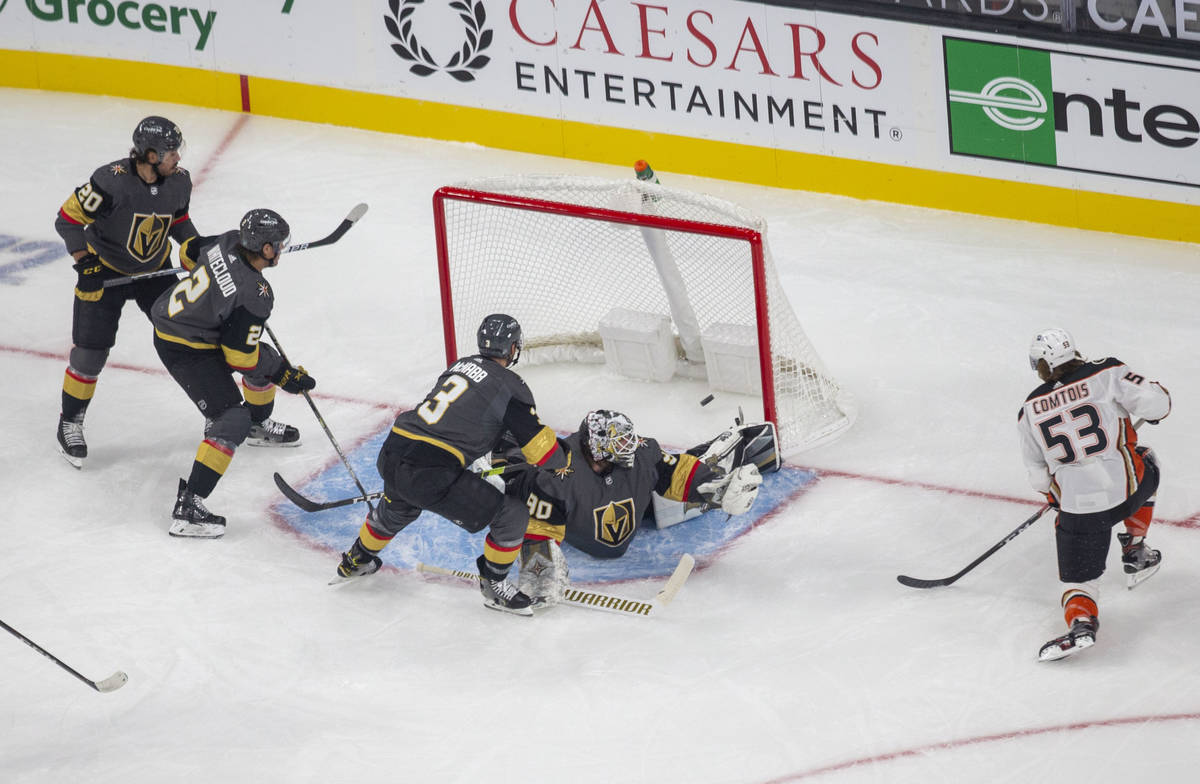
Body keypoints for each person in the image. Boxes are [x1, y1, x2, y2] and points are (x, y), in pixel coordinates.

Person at [333, 314, 565, 616]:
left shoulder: (460, 366)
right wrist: (564, 460)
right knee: (512, 514)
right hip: (430, 471)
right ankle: (494, 586)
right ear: (511, 349)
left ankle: (356, 560)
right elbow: (543, 454)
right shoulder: (510, 385)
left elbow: (462, 418)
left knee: (398, 508)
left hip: (394, 449)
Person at [150, 209, 315, 538]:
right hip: (183, 345)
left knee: (263, 355)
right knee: (231, 418)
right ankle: (189, 507)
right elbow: (239, 357)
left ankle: (258, 423)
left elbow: (188, 252)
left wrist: (222, 286)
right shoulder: (256, 293)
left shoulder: (227, 239)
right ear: (266, 249)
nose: (281, 249)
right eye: (278, 245)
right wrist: (284, 375)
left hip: (186, 323)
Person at [54, 115, 207, 468]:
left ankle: (216, 412)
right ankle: (70, 422)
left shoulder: (179, 181)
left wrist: (193, 246)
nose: (178, 159)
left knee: (189, 336)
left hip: (154, 272)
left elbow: (178, 220)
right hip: (104, 273)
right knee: (90, 354)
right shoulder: (110, 182)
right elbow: (68, 220)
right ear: (151, 155)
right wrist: (83, 261)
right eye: (172, 152)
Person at [498, 410, 772, 607]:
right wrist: (539, 569)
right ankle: (498, 443)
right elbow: (539, 525)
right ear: (597, 446)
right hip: (549, 502)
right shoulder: (556, 473)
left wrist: (715, 489)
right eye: (619, 445)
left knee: (674, 476)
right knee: (509, 477)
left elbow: (676, 471)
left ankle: (740, 446)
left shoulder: (641, 453)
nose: (628, 449)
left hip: (616, 504)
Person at [1018, 328, 1171, 662]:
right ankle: (1135, 549)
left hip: (1080, 511)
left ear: (1044, 364)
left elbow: (1039, 478)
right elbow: (1157, 404)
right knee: (1149, 462)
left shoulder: (1029, 408)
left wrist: (1056, 496)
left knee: (1080, 583)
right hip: (1129, 491)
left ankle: (1082, 625)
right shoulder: (1106, 372)